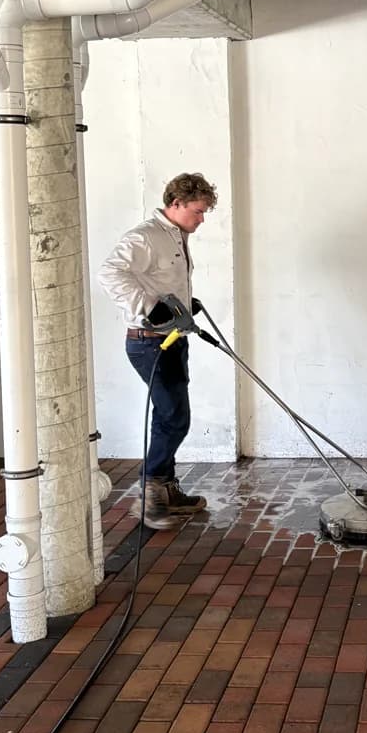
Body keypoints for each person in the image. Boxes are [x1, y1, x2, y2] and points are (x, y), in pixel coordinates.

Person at [98, 171, 217, 528]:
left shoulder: (175, 237)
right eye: (197, 210)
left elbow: (160, 279)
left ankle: (165, 490)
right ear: (176, 203)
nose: (201, 218)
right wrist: (151, 307)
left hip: (171, 340)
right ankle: (151, 497)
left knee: (172, 415)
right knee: (172, 417)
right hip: (149, 344)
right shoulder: (146, 237)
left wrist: (181, 304)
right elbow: (110, 273)